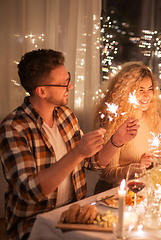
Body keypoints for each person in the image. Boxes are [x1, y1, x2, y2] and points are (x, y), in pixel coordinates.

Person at [0, 49, 139, 240]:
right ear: (41, 91)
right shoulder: (14, 128)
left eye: (69, 79)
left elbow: (93, 162)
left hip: (74, 213)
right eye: (64, 83)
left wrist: (117, 140)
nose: (71, 86)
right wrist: (76, 154)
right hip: (34, 224)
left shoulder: (66, 115)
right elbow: (30, 191)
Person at [93, 61, 161, 194]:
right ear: (126, 92)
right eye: (140, 90)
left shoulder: (155, 119)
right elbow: (108, 174)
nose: (147, 95)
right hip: (114, 193)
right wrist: (138, 167)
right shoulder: (115, 122)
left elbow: (158, 158)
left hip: (142, 189)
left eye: (150, 89)